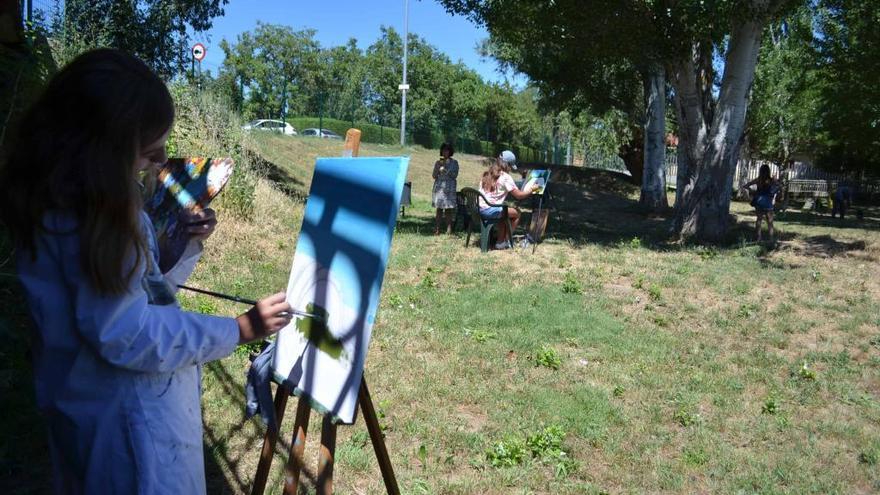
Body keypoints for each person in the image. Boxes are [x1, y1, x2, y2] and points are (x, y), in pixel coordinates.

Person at [0, 49, 292, 494]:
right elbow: (127, 333)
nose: (161, 157)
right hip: (132, 442)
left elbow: (136, 292)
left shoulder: (63, 202)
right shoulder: (94, 214)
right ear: (104, 146)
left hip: (101, 423)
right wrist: (238, 329)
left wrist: (185, 244)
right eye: (149, 146)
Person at [478, 151, 538, 249]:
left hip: (479, 209)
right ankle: (505, 240)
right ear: (507, 165)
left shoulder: (488, 173)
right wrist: (531, 190)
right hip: (490, 210)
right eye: (510, 166)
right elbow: (519, 195)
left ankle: (500, 240)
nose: (510, 169)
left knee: (505, 211)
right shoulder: (505, 177)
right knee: (517, 213)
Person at [741, 164, 780, 242]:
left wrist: (753, 192)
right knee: (770, 222)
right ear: (768, 171)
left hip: (759, 201)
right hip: (768, 202)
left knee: (759, 220)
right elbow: (778, 187)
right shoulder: (771, 180)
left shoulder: (758, 179)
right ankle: (771, 239)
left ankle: (758, 238)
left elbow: (745, 186)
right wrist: (775, 180)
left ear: (760, 171)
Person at [431, 142, 459, 235]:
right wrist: (438, 169)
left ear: (450, 151)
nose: (445, 152)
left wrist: (445, 169)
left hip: (449, 188)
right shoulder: (438, 162)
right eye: (443, 150)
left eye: (447, 150)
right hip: (439, 187)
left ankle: (449, 229)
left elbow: (454, 175)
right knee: (439, 209)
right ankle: (437, 229)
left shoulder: (454, 163)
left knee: (448, 209)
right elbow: (434, 176)